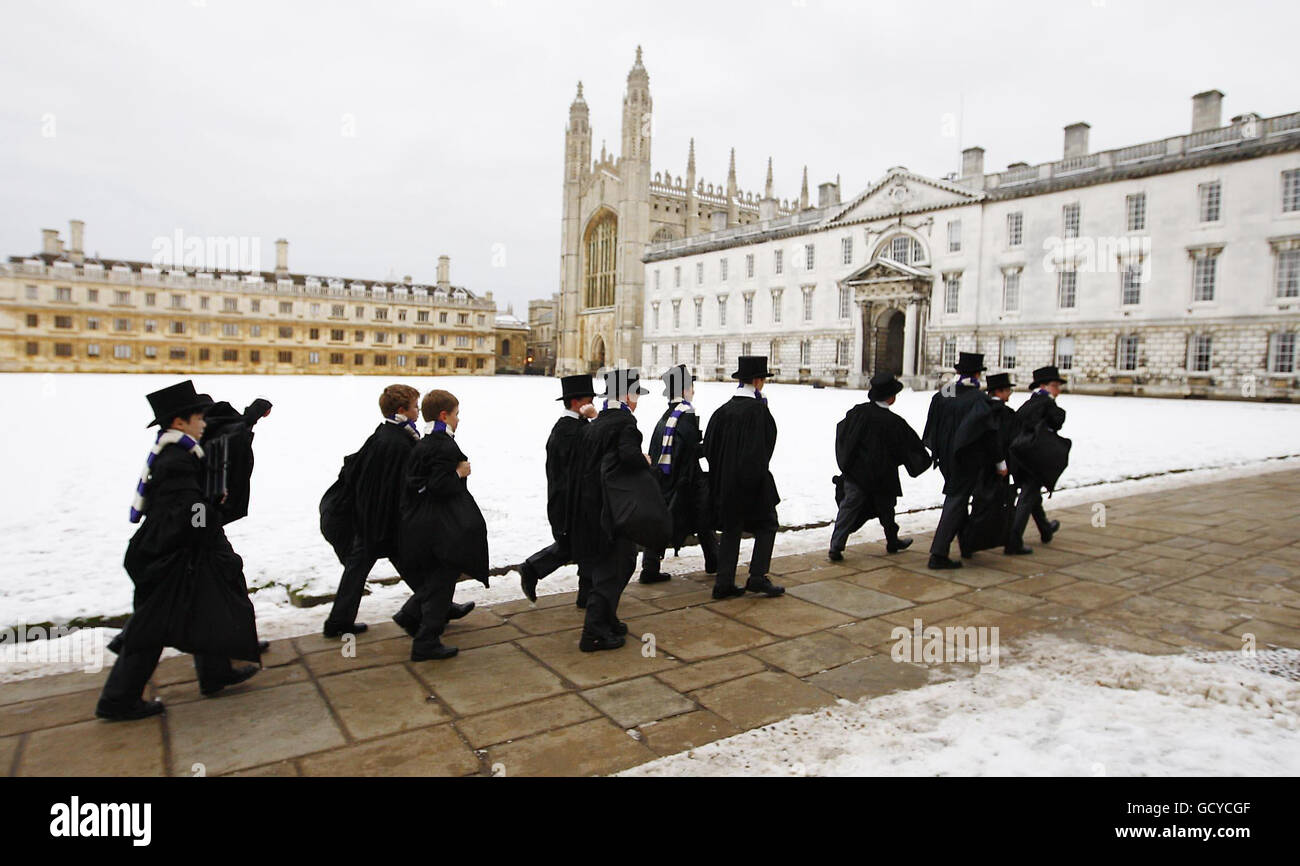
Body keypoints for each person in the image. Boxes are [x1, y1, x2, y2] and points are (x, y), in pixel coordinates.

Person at [96, 381, 260, 721]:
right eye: (198, 417)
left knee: (204, 605)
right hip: (167, 556)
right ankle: (118, 700)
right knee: (149, 630)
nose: (204, 422)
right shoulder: (177, 461)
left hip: (171, 550)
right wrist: (213, 506)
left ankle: (216, 673)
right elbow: (189, 514)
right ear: (179, 422)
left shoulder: (175, 451)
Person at [324, 384, 474, 640]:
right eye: (415, 406)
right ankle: (341, 621)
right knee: (366, 567)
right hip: (377, 520)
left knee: (385, 567)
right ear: (403, 410)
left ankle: (437, 608)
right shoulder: (395, 441)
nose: (419, 410)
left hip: (375, 517)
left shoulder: (390, 433)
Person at [566, 368, 661, 651]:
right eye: (635, 395)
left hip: (594, 507)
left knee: (615, 564)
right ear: (625, 396)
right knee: (615, 567)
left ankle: (607, 619)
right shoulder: (625, 424)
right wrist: (644, 461)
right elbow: (628, 457)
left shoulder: (599, 422)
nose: (636, 401)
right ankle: (594, 632)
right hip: (613, 509)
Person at [399, 389, 490, 661]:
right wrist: (459, 473)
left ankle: (410, 615)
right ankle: (426, 640)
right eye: (456, 414)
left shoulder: (426, 442)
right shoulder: (442, 445)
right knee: (442, 580)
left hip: (426, 523)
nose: (458, 419)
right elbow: (438, 486)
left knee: (438, 577)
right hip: (440, 525)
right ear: (443, 415)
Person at [702, 355, 785, 599]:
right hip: (751, 483)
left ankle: (724, 583)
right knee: (768, 523)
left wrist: (721, 472)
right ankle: (758, 576)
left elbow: (708, 448)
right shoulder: (758, 412)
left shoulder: (722, 411)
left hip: (724, 482)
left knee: (731, 528)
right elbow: (764, 449)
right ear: (758, 381)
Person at [828, 371, 929, 561]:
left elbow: (844, 436)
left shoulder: (858, 413)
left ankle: (836, 546)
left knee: (848, 509)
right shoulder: (895, 422)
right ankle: (892, 541)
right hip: (883, 476)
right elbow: (909, 447)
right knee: (886, 510)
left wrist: (848, 465)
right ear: (891, 398)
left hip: (857, 475)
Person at [922, 352, 1007, 570]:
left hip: (946, 457)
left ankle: (967, 545)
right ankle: (938, 554)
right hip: (968, 459)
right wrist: (1000, 463)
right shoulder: (979, 399)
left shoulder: (946, 392)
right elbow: (990, 436)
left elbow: (932, 423)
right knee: (957, 500)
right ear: (978, 374)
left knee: (957, 499)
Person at [519, 375, 598, 606]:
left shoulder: (575, 426)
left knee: (582, 547)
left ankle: (586, 595)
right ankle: (533, 569)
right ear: (577, 403)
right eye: (589, 399)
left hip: (575, 497)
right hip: (571, 500)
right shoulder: (570, 430)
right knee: (583, 545)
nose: (593, 403)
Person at [640, 364, 718, 583]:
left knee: (663, 522)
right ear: (684, 389)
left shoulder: (665, 417)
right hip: (684, 481)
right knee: (703, 518)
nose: (693, 391)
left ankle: (650, 566)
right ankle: (714, 560)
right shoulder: (685, 415)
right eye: (691, 387)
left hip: (665, 479)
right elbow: (690, 450)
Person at [1006, 365, 1067, 555]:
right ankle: (1013, 542)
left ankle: (1046, 529)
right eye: (1055, 385)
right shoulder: (1046, 403)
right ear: (1044, 386)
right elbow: (1057, 422)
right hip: (1034, 459)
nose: (1058, 390)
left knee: (1032, 496)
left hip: (1019, 457)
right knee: (1027, 498)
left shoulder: (1028, 403)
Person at [957, 372, 1018, 557]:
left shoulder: (977, 407)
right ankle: (984, 540)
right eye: (1008, 390)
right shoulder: (1003, 413)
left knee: (976, 504)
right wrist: (1002, 464)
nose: (1010, 394)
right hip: (995, 465)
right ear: (999, 391)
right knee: (992, 505)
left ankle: (968, 542)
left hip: (975, 464)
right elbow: (1000, 440)